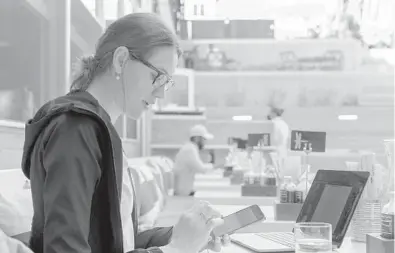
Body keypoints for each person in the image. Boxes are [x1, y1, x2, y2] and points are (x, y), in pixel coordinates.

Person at [21, 13, 229, 253]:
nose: (161, 94)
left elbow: (117, 242)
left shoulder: (96, 129)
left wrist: (184, 237)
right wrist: (177, 249)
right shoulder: (76, 129)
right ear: (121, 60)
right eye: (157, 77)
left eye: (167, 82)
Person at [173, 125, 214, 196]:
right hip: (183, 195)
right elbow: (202, 169)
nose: (205, 142)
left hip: (184, 191)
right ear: (197, 138)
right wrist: (212, 165)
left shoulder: (190, 148)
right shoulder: (189, 150)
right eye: (204, 139)